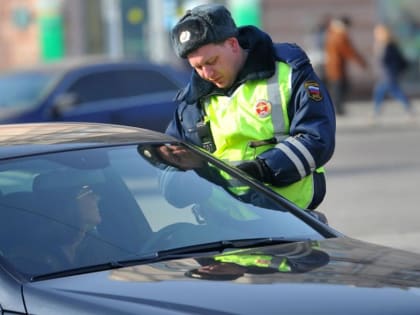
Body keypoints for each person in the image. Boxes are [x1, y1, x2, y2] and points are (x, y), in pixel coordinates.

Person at [167, 4, 335, 210]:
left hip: (289, 218)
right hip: (224, 228)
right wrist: (188, 182)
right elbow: (168, 170)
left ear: (232, 44)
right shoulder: (190, 103)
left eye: (212, 61)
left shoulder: (289, 72)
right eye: (198, 67)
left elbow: (317, 138)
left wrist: (262, 169)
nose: (207, 74)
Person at [324, 15, 368, 115]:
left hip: (333, 66)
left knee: (338, 88)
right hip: (336, 67)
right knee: (339, 88)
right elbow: (349, 51)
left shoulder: (332, 32)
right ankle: (338, 109)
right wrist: (362, 63)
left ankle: (338, 108)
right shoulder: (339, 36)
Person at [372, 23, 413, 119]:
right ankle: (408, 107)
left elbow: (386, 60)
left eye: (377, 33)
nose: (375, 35)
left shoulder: (389, 45)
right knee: (386, 91)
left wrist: (378, 52)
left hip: (389, 73)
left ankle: (377, 111)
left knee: (386, 91)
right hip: (386, 73)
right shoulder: (386, 44)